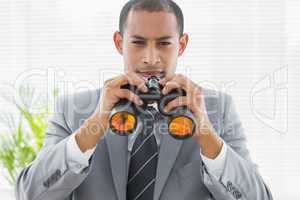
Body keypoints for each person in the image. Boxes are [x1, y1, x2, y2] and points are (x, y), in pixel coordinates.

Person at [15, 0, 273, 199]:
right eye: (138, 43)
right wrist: (91, 129)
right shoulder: (74, 110)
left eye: (164, 44)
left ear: (181, 45)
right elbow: (30, 193)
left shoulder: (218, 109)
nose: (150, 58)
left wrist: (206, 134)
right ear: (119, 42)